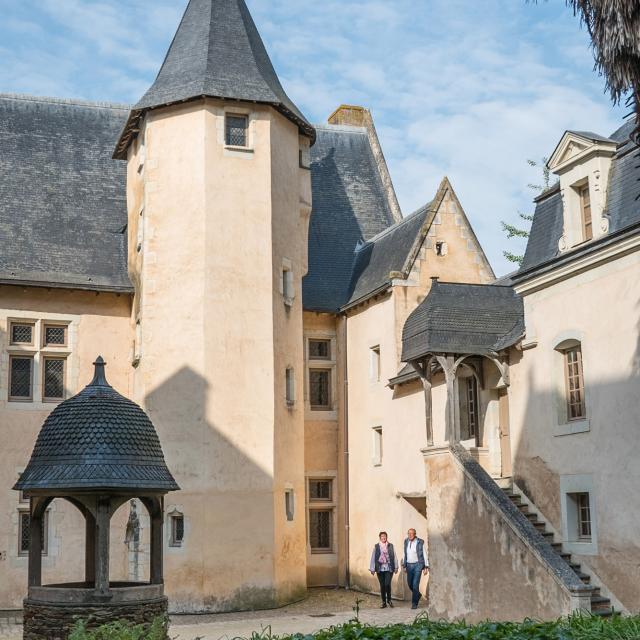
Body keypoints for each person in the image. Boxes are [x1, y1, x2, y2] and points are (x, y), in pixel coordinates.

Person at [401, 528, 429, 609]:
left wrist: (426, 566)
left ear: (415, 534)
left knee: (415, 584)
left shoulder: (420, 542)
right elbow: (405, 553)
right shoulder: (406, 541)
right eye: (409, 533)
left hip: (418, 565)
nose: (410, 535)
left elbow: (424, 554)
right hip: (409, 565)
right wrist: (404, 565)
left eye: (412, 533)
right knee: (410, 584)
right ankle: (418, 595)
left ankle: (414, 603)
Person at [369, 531, 398, 608]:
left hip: (389, 568)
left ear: (386, 537)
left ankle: (389, 600)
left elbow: (394, 556)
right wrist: (372, 568)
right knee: (382, 585)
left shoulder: (391, 546)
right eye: (382, 536)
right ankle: (383, 602)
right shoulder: (376, 546)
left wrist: (396, 567)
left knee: (387, 584)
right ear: (380, 537)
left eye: (385, 536)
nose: (383, 538)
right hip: (380, 568)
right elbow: (373, 557)